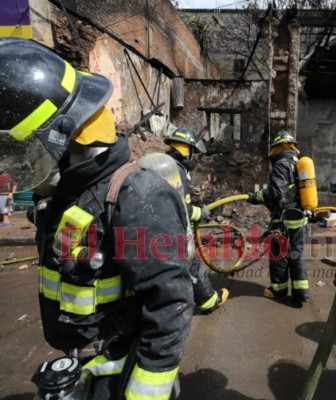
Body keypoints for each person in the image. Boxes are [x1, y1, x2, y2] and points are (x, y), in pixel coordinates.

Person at [0, 38, 193, 399]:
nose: (24, 169)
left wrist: (143, 393)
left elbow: (171, 304)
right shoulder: (68, 193)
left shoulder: (136, 196)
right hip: (81, 365)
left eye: (29, 153)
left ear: (65, 139)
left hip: (120, 372)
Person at [165, 128, 229, 314]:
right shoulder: (177, 170)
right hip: (174, 229)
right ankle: (209, 301)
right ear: (188, 150)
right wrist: (200, 213)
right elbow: (183, 209)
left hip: (159, 227)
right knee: (191, 262)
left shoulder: (166, 165)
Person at [247, 130, 309, 303]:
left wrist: (256, 196)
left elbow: (275, 193)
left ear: (278, 147)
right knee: (296, 253)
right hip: (299, 218)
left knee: (278, 254)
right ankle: (301, 291)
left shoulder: (282, 164)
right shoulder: (299, 163)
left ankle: (279, 289)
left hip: (283, 219)